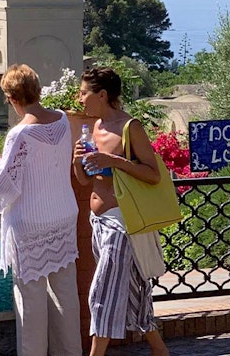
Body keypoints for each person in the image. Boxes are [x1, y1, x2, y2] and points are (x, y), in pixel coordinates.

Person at [73, 67, 169, 356]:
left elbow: (153, 175)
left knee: (102, 292)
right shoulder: (93, 129)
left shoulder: (130, 127)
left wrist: (114, 160)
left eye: (83, 93)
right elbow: (84, 180)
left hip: (121, 223)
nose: (79, 100)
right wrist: (78, 161)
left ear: (102, 95)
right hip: (98, 222)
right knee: (131, 290)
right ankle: (159, 350)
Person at [0, 64, 81, 356]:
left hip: (30, 225)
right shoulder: (63, 121)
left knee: (30, 305)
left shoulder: (19, 135)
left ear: (13, 98)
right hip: (63, 216)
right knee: (66, 299)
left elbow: (4, 187)